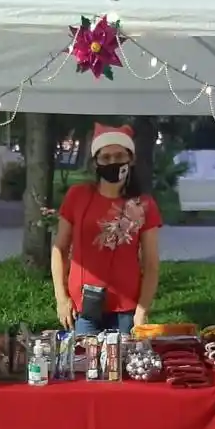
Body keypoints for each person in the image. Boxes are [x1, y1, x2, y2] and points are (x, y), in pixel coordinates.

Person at [51, 123, 162, 336]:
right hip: (83, 308)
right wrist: (61, 298)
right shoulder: (78, 196)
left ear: (131, 159)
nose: (113, 162)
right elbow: (60, 249)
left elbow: (151, 264)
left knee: (122, 367)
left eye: (119, 156)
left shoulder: (143, 205)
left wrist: (142, 310)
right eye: (106, 157)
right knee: (84, 365)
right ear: (96, 162)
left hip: (127, 309)